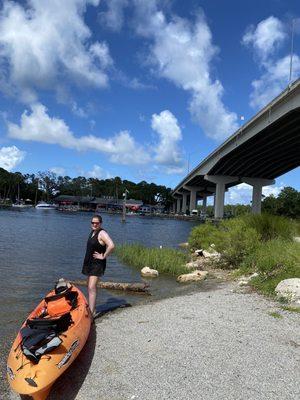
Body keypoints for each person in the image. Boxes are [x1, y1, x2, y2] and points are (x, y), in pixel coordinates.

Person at [82, 215, 115, 317]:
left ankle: (92, 312)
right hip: (89, 263)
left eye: (97, 223)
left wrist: (104, 256)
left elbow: (112, 245)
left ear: (100, 223)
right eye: (93, 222)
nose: (94, 224)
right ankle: (91, 307)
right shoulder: (93, 232)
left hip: (97, 264)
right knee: (89, 286)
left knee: (92, 287)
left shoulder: (102, 233)